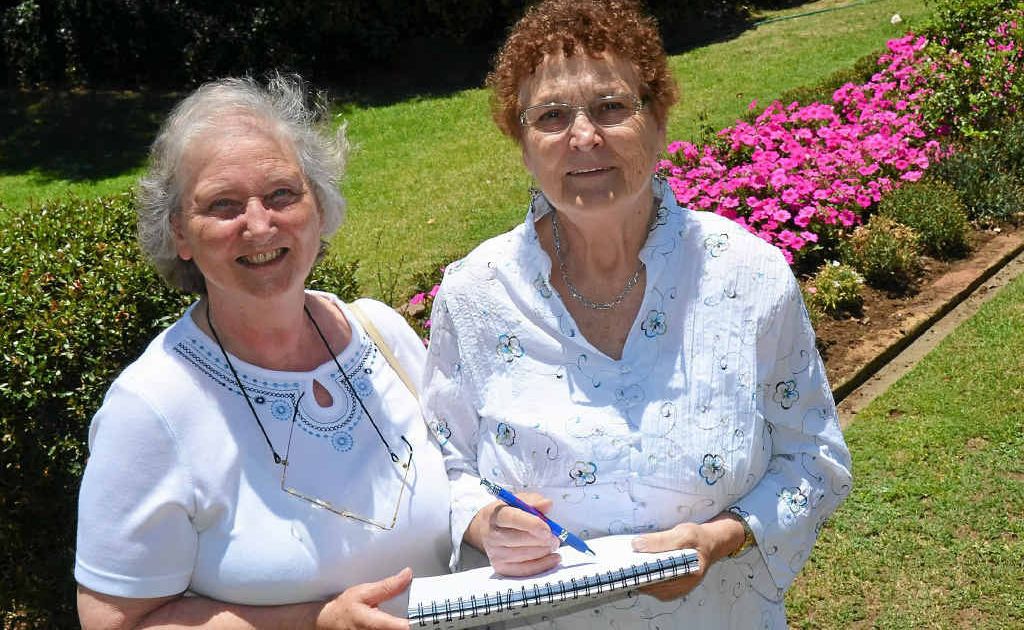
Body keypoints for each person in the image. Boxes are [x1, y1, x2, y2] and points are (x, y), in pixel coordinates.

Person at [420, 0, 853, 626]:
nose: (584, 137)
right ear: (522, 143)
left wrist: (721, 538)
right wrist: (488, 522)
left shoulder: (748, 277)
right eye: (550, 116)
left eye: (612, 107)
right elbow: (444, 465)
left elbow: (813, 458)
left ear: (658, 118)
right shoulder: (476, 294)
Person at [75, 74, 450, 629]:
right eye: (223, 205)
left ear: (318, 208)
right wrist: (313, 623)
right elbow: (116, 622)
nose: (258, 224)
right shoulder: (151, 408)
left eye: (281, 194)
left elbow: (464, 477)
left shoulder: (381, 333)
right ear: (180, 233)